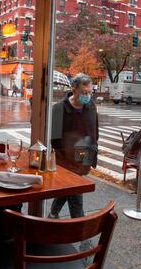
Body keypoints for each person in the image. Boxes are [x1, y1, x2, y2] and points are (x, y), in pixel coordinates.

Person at [48, 73, 99, 219]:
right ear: (74, 89)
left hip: (85, 157)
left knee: (68, 190)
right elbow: (55, 140)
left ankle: (52, 214)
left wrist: (93, 150)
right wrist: (67, 159)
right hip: (67, 161)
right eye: (84, 92)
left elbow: (95, 129)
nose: (88, 96)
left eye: (90, 92)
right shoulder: (59, 108)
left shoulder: (91, 106)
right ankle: (82, 232)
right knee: (76, 197)